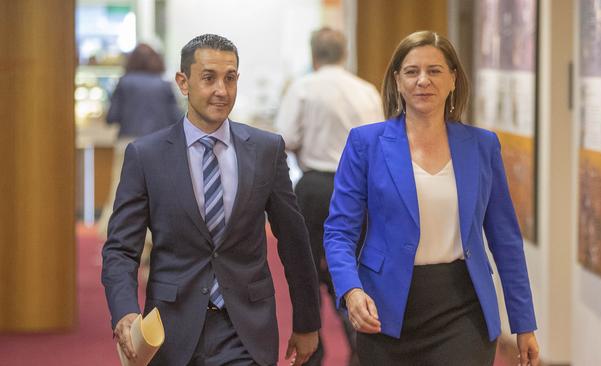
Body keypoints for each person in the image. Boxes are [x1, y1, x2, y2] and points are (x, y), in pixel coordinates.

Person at [102, 34, 321, 366]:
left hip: (245, 329)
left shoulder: (265, 150)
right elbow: (121, 248)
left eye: (230, 78)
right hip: (170, 330)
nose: (222, 90)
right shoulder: (146, 156)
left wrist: (306, 322)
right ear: (183, 82)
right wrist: (124, 311)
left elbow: (293, 240)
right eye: (209, 78)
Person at [324, 31, 540, 366]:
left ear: (453, 78)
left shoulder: (482, 146)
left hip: (462, 308)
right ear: (397, 80)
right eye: (411, 71)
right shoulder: (365, 144)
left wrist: (523, 323)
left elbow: (506, 240)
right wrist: (351, 290)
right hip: (385, 309)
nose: (423, 80)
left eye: (435, 70)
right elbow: (339, 232)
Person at [275, 27, 383, 366]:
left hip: (315, 187)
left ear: (312, 55)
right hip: (360, 191)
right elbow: (381, 143)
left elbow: (285, 139)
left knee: (305, 269)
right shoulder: (366, 91)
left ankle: (313, 348)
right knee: (354, 270)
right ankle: (360, 346)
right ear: (345, 53)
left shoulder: (303, 88)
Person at [97, 43, 181, 244]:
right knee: (157, 192)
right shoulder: (164, 85)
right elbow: (176, 117)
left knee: (121, 191)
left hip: (128, 143)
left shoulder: (124, 83)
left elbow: (112, 116)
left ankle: (119, 238)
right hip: (159, 144)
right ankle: (154, 240)